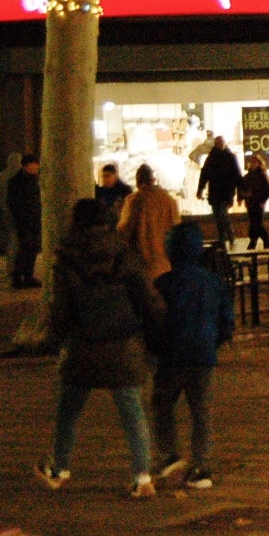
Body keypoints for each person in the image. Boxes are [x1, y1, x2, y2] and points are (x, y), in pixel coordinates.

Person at [37, 198, 165, 499]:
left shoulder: (66, 257)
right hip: (124, 343)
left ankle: (60, 468)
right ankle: (143, 476)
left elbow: (61, 310)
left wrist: (54, 341)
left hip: (83, 345)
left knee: (69, 410)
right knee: (132, 411)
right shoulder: (124, 253)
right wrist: (157, 331)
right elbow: (147, 299)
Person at [150, 222, 233, 491]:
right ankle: (201, 467)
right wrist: (214, 342)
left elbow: (153, 320)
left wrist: (155, 348)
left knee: (163, 404)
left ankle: (169, 453)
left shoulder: (163, 284)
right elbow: (226, 321)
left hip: (171, 356)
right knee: (201, 413)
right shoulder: (213, 283)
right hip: (203, 356)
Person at [119, 164, 180, 282]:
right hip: (166, 266)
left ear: (138, 181)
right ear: (153, 179)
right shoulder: (169, 201)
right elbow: (176, 230)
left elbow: (124, 232)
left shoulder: (134, 201)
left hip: (142, 267)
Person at [197, 136, 241, 250]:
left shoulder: (225, 157)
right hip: (218, 192)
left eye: (221, 143)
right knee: (218, 216)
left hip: (223, 192)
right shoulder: (214, 157)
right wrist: (200, 189)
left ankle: (229, 236)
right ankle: (224, 237)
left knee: (222, 215)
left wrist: (241, 190)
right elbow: (205, 174)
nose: (220, 145)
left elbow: (237, 175)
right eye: (218, 143)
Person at [6, 154, 43, 289]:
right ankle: (17, 277)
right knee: (24, 249)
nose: (37, 167)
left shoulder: (34, 179)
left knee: (32, 249)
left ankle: (28, 276)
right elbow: (13, 203)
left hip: (34, 219)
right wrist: (22, 217)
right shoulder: (17, 182)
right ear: (26, 166)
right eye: (34, 165)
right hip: (24, 221)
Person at [239, 154, 269, 251]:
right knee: (254, 223)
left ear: (258, 163)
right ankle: (263, 242)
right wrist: (244, 196)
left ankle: (256, 242)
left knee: (257, 223)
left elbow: (267, 190)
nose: (253, 164)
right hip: (250, 203)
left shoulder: (262, 176)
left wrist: (263, 200)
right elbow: (242, 188)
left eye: (255, 162)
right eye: (252, 162)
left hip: (258, 203)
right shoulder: (247, 176)